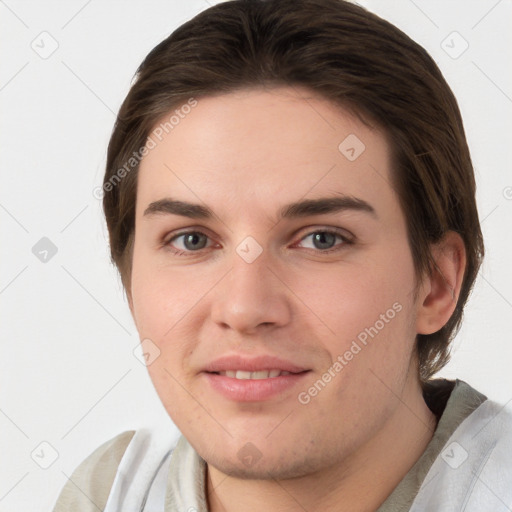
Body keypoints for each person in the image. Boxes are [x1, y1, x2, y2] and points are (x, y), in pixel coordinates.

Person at [52, 0, 512, 510]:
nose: (245, 310)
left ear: (436, 284)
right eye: (192, 240)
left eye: (322, 239)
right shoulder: (108, 494)